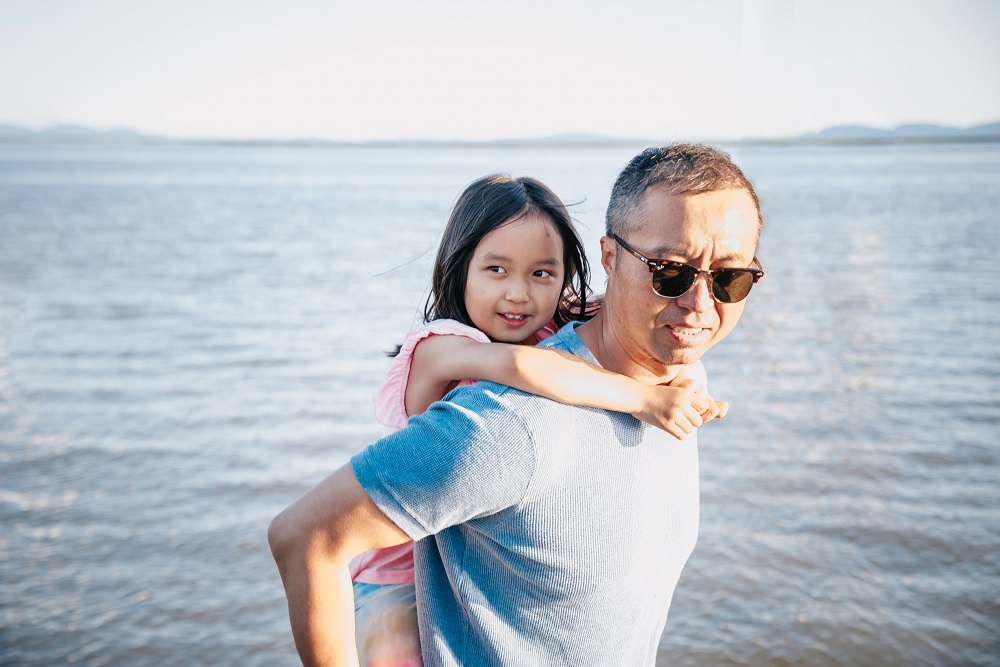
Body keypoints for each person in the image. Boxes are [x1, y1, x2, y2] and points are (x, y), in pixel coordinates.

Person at [269, 143, 765, 667]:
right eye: (671, 272)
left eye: (731, 278)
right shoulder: (510, 422)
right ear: (611, 259)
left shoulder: (679, 363)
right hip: (389, 577)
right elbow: (304, 535)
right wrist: (641, 399)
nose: (700, 305)